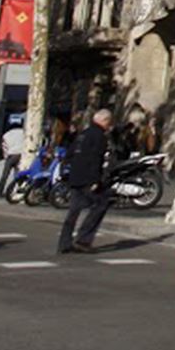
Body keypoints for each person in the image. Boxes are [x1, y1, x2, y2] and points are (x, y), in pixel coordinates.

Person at [57, 108, 116, 254]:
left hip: (75, 177)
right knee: (101, 203)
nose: (109, 126)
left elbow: (70, 154)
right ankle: (83, 240)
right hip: (88, 178)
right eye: (109, 123)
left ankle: (64, 243)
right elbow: (96, 158)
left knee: (74, 211)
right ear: (105, 121)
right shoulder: (100, 136)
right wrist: (95, 180)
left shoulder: (83, 134)